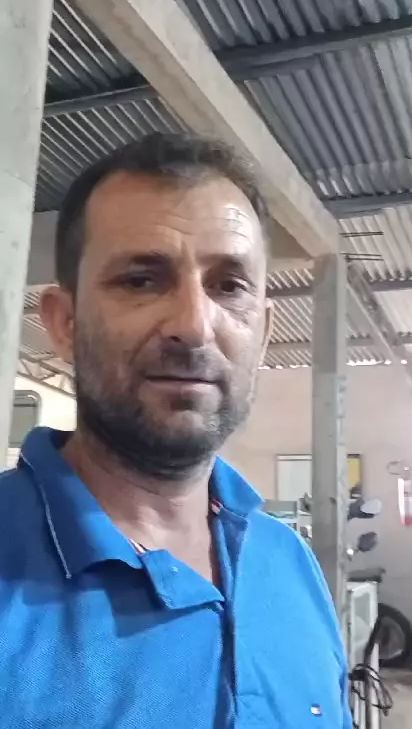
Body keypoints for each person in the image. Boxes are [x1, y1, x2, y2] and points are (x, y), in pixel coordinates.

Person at [0, 134, 352, 728]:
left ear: (264, 333)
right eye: (142, 279)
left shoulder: (286, 560)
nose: (194, 326)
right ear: (64, 323)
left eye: (229, 286)